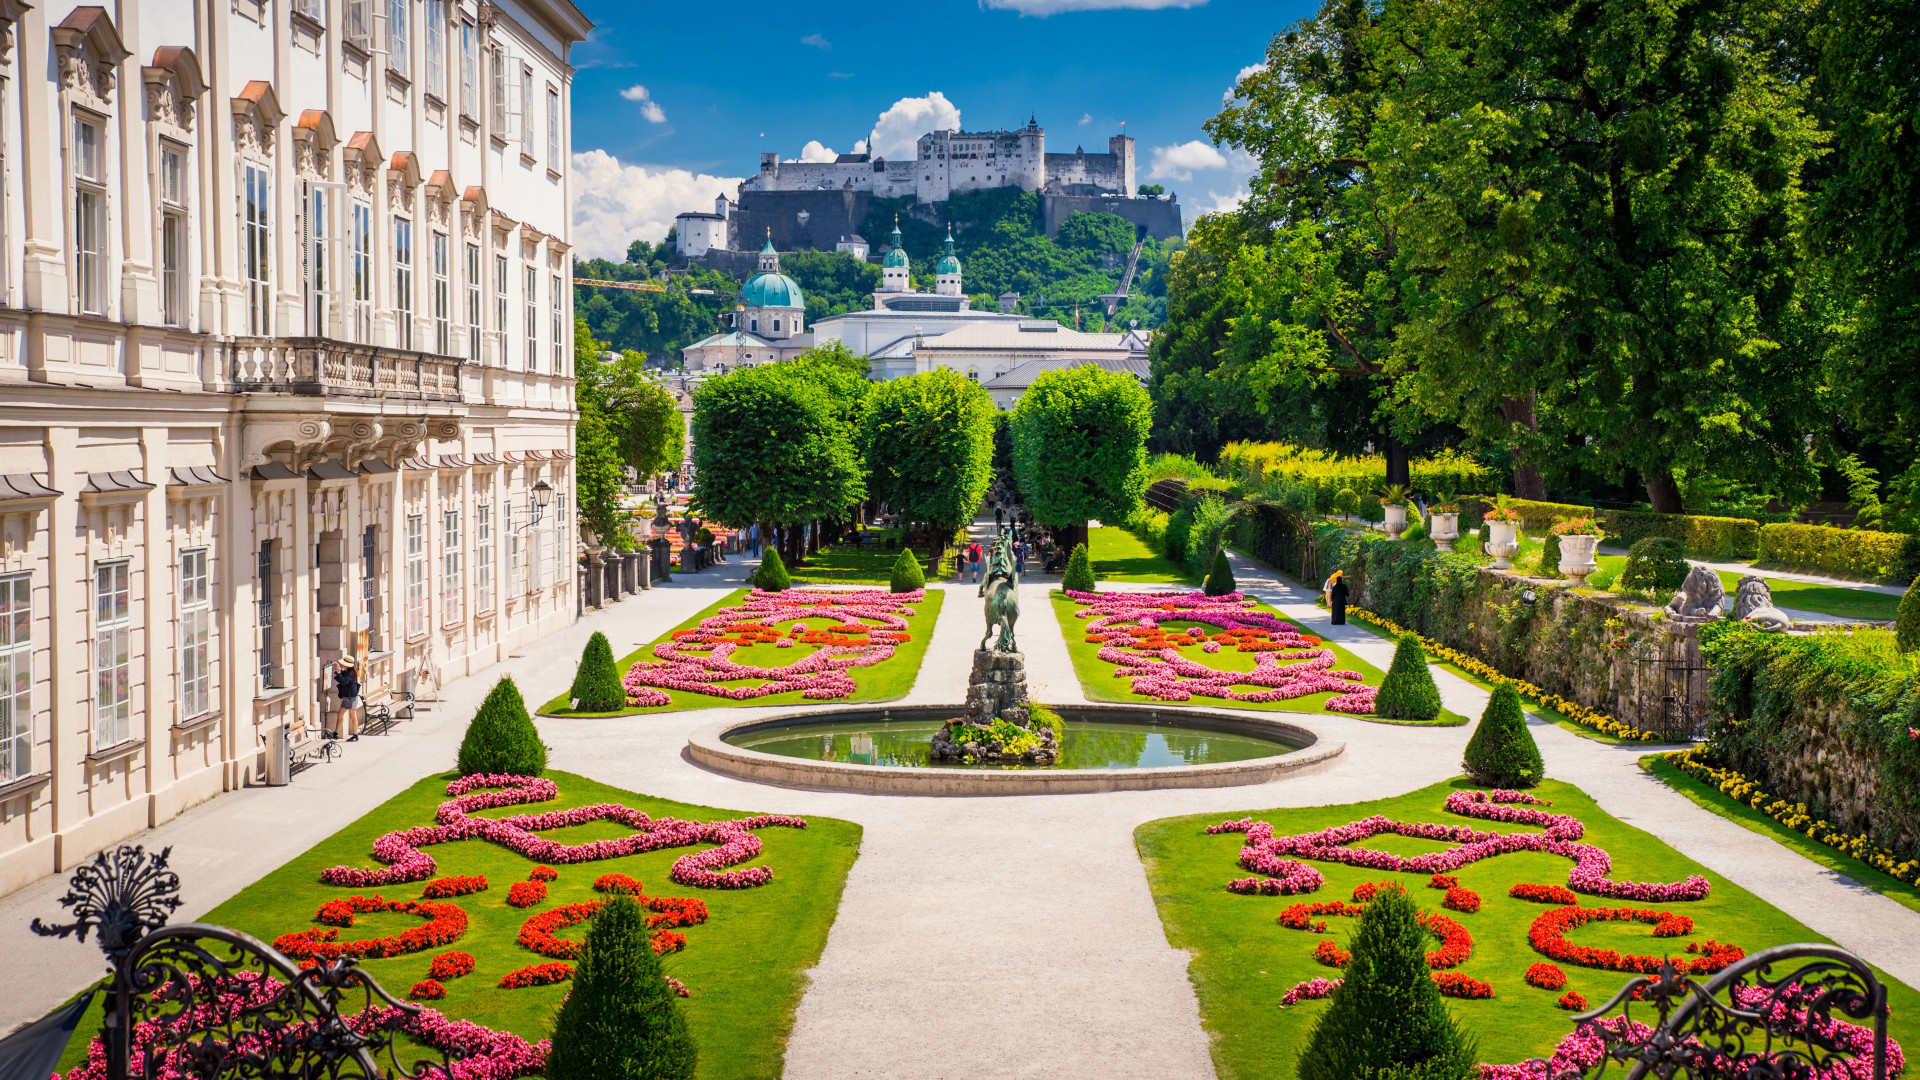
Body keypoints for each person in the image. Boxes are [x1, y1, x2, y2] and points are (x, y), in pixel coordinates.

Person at [329, 656, 361, 742]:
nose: (342, 665)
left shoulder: (351, 674)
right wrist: (338, 669)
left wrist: (339, 672)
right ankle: (336, 733)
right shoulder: (348, 672)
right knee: (340, 714)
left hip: (351, 697)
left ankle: (355, 734)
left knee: (352, 716)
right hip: (348, 697)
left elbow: (343, 681)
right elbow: (342, 675)